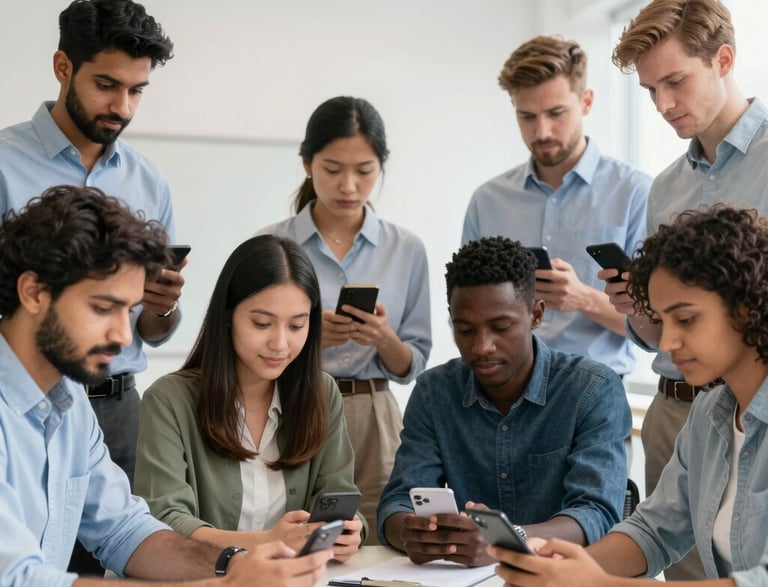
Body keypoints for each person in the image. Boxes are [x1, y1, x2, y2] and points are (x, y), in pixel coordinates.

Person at [0, 185, 332, 587]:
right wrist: (225, 586)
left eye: (129, 309)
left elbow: (125, 531)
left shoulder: (70, 403)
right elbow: (17, 579)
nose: (125, 335)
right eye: (104, 308)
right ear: (34, 292)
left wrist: (236, 563)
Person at [492, 205, 768, 587]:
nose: (668, 343)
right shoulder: (710, 412)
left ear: (748, 306)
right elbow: (653, 529)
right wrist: (565, 569)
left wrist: (594, 583)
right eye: (661, 320)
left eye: (685, 319)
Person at [604, 0, 768, 579]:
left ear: (723, 59)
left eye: (675, 81)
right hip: (687, 411)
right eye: (650, 90)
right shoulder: (665, 188)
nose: (663, 105)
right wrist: (638, 306)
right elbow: (657, 334)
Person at [0, 0, 183, 490]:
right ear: (63, 67)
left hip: (120, 408)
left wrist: (161, 309)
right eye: (106, 85)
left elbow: (150, 329)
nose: (122, 107)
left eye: (136, 91)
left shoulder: (150, 182)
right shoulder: (3, 164)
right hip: (21, 404)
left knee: (128, 549)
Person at [377, 236, 631, 567]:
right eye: (465, 329)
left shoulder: (592, 389)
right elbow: (397, 501)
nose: (482, 346)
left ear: (536, 315)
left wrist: (507, 539)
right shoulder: (433, 391)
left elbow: (597, 513)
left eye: (501, 327)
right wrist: (414, 533)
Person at [259, 96, 432, 543]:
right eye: (332, 169)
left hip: (375, 412)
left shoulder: (406, 248)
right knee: (293, 529)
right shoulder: (272, 244)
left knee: (376, 536)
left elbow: (413, 363)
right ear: (306, 163)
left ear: (382, 166)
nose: (349, 185)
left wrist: (382, 337)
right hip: (294, 405)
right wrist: (313, 341)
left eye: (365, 170)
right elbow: (245, 342)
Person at [133, 234, 364, 562]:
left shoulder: (322, 393)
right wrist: (266, 541)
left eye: (297, 326)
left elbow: (338, 497)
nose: (280, 344)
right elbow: (163, 521)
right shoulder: (168, 400)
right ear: (227, 315)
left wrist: (350, 533)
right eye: (262, 323)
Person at [463, 35, 650, 377]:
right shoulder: (487, 201)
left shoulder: (635, 193)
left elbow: (656, 327)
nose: (542, 131)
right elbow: (463, 312)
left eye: (556, 113)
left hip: (596, 397)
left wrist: (583, 298)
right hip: (503, 397)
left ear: (587, 102)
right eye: (527, 117)